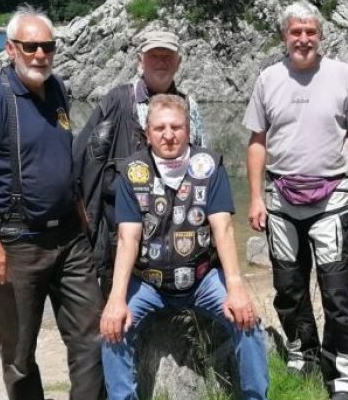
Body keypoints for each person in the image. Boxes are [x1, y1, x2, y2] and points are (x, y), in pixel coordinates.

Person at [0, 5, 103, 400]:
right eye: (31, 46)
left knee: (92, 338)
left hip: (70, 240)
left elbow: (59, 156)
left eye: (48, 46)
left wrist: (79, 208)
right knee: (19, 354)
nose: (40, 55)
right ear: (11, 49)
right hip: (17, 244)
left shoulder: (58, 90)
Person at [243, 1, 348, 400]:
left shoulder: (344, 75)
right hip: (280, 197)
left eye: (310, 32)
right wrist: (254, 197)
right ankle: (304, 355)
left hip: (333, 195)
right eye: (295, 32)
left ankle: (346, 369)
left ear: (321, 35)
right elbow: (257, 142)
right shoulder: (268, 79)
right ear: (284, 36)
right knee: (288, 286)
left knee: (336, 288)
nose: (303, 39)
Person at [99, 94, 267, 400]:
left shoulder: (209, 166)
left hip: (202, 279)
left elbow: (223, 229)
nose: (168, 135)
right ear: (147, 133)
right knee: (113, 328)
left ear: (188, 130)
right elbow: (128, 238)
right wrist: (116, 299)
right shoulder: (132, 171)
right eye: (160, 128)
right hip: (148, 283)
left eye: (176, 127)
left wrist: (236, 288)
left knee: (248, 321)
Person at [75, 30, 206, 299]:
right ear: (139, 61)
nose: (161, 62)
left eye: (167, 56)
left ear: (179, 62)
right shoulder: (117, 101)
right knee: (118, 304)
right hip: (121, 232)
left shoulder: (189, 106)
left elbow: (203, 167)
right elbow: (81, 159)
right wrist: (83, 215)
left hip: (176, 230)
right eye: (154, 56)